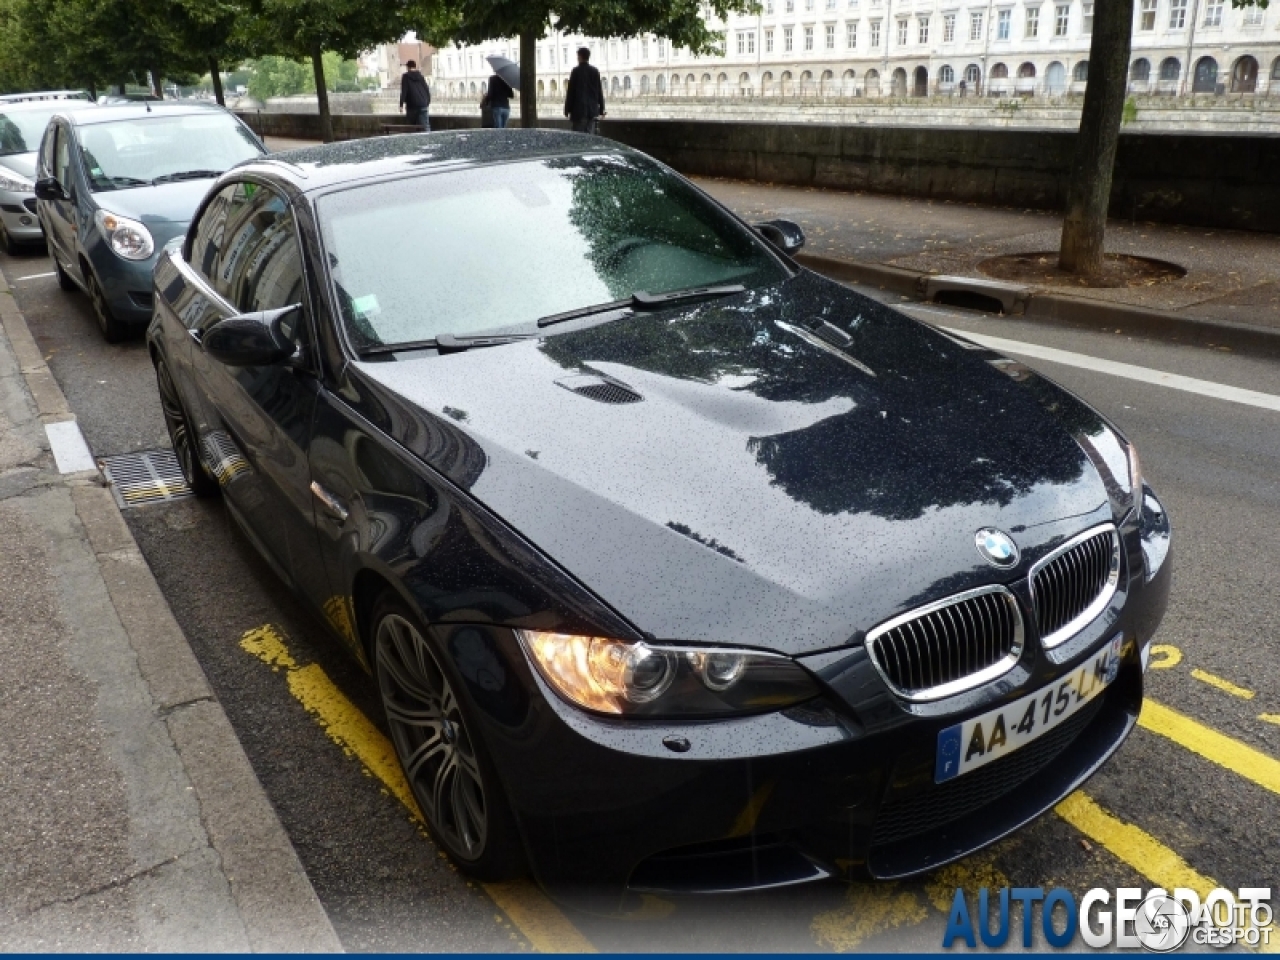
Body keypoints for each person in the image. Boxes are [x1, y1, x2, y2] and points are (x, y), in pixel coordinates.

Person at [564, 47, 605, 134]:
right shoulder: (595, 71)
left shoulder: (575, 71)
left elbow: (571, 92)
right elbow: (599, 91)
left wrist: (567, 109)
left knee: (578, 138)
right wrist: (602, 109)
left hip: (578, 111)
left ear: (580, 56)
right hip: (592, 111)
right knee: (590, 136)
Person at [399, 60, 431, 131]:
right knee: (425, 127)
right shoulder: (420, 76)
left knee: (411, 128)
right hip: (423, 104)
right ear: (415, 66)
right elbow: (426, 89)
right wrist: (427, 102)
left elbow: (404, 91)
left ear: (408, 67)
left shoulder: (406, 77)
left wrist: (401, 105)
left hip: (412, 105)